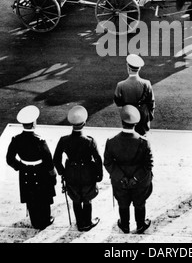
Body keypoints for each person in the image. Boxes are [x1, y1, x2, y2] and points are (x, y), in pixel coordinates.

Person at [104, 104, 153, 234]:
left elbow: (108, 163)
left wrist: (122, 177)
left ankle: (124, 225)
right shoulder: (144, 142)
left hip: (120, 181)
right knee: (140, 203)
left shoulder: (111, 141)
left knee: (123, 202)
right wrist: (136, 178)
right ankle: (141, 225)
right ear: (136, 124)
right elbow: (148, 165)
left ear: (122, 122)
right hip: (139, 181)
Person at [6, 105, 57, 230]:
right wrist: (53, 174)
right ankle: (45, 220)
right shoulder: (39, 140)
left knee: (30, 196)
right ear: (34, 123)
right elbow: (48, 160)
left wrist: (20, 166)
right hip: (41, 171)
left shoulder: (16, 139)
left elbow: (9, 159)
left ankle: (35, 221)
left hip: (25, 171)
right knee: (43, 196)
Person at [53, 105, 103, 232]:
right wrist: (99, 174)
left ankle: (80, 223)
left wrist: (63, 172)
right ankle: (88, 222)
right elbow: (98, 159)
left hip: (71, 173)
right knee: (87, 198)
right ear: (84, 123)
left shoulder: (64, 140)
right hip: (87, 173)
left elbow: (56, 159)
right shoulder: (89, 141)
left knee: (75, 198)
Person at [114, 54, 155, 137]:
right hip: (143, 118)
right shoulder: (146, 83)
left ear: (128, 67)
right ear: (139, 68)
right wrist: (148, 117)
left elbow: (118, 103)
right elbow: (151, 103)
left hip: (128, 117)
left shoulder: (120, 85)